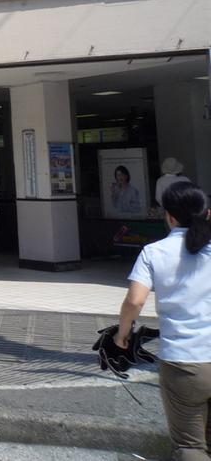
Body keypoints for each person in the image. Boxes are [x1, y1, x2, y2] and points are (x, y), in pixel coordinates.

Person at [116, 181, 211, 460]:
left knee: (190, 447)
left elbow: (135, 300)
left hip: (185, 363)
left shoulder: (153, 252)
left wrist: (123, 334)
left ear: (169, 216)